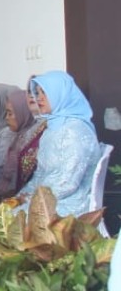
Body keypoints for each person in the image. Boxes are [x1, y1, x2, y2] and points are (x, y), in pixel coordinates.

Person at [17, 71, 101, 217]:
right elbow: (40, 174)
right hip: (48, 198)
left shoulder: (75, 130)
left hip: (70, 203)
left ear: (60, 94)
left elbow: (68, 182)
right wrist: (22, 196)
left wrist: (31, 199)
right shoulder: (51, 128)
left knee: (13, 219)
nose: (39, 98)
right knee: (4, 213)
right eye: (37, 92)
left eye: (44, 92)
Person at [0, 87, 44, 208]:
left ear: (22, 113)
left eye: (10, 113)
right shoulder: (18, 137)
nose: (6, 118)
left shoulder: (31, 140)